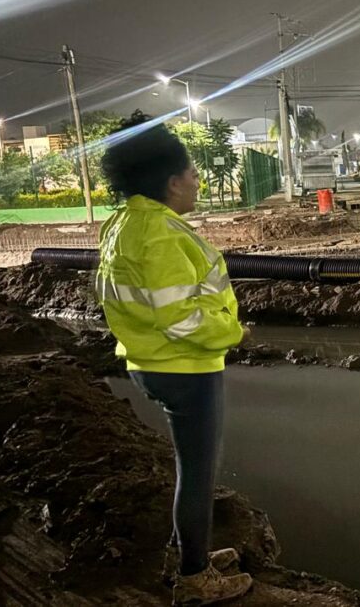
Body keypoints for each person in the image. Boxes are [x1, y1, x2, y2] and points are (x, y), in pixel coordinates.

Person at [95, 111, 253, 605]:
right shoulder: (160, 234)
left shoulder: (126, 223)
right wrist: (233, 332)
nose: (198, 181)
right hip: (184, 367)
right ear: (171, 181)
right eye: (193, 174)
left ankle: (187, 550)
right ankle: (193, 576)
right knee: (198, 472)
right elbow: (181, 318)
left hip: (149, 361)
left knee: (194, 467)